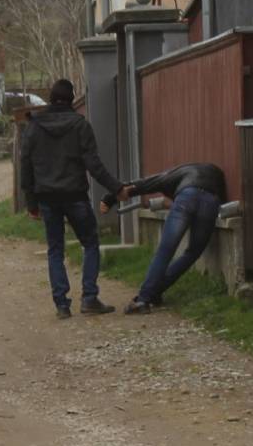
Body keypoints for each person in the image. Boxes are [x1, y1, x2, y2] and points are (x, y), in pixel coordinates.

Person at [20, 79, 131, 320]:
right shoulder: (80, 125)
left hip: (47, 198)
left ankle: (61, 304)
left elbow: (26, 167)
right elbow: (94, 165)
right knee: (90, 243)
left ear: (50, 98)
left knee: (55, 249)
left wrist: (31, 204)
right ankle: (89, 298)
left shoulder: (34, 127)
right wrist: (117, 187)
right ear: (72, 100)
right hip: (75, 196)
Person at [100, 163, 226, 315]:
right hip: (211, 201)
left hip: (186, 197)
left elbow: (142, 185)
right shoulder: (212, 172)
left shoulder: (172, 176)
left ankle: (144, 299)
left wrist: (109, 198)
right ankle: (155, 291)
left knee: (166, 250)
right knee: (193, 252)